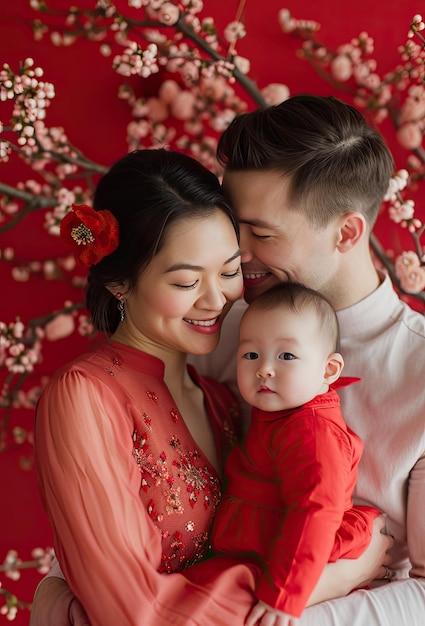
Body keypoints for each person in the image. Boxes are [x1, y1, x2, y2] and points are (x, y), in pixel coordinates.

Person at [30, 101, 398, 625]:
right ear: (118, 283)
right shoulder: (89, 394)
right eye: (185, 282)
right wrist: (320, 581)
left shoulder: (227, 391)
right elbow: (133, 608)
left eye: (230, 270)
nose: (219, 300)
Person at [210, 281, 381, 626]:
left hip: (292, 554)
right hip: (261, 544)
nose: (264, 369)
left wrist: (283, 596)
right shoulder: (283, 412)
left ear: (328, 370)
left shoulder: (311, 428)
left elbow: (315, 508)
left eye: (286, 355)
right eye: (250, 354)